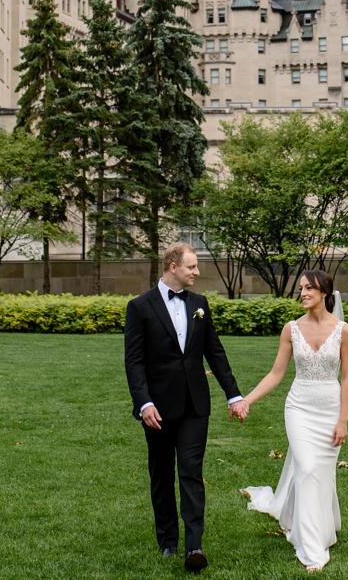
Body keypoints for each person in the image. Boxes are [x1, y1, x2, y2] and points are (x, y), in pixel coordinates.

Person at [124, 240, 248, 570]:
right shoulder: (140, 307)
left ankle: (194, 546)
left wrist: (234, 394)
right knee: (162, 474)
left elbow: (215, 352)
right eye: (192, 266)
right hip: (158, 409)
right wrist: (144, 403)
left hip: (196, 405)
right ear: (173, 267)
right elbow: (133, 362)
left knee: (191, 473)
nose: (197, 272)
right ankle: (167, 540)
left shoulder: (200, 303)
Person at [242, 267, 348, 574]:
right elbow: (276, 373)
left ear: (325, 294)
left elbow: (347, 379)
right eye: (301, 289)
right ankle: (311, 548)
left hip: (330, 409)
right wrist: (247, 399)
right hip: (299, 408)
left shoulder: (343, 330)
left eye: (309, 289)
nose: (303, 293)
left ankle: (321, 530)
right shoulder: (290, 328)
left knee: (320, 473)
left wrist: (343, 421)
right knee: (305, 468)